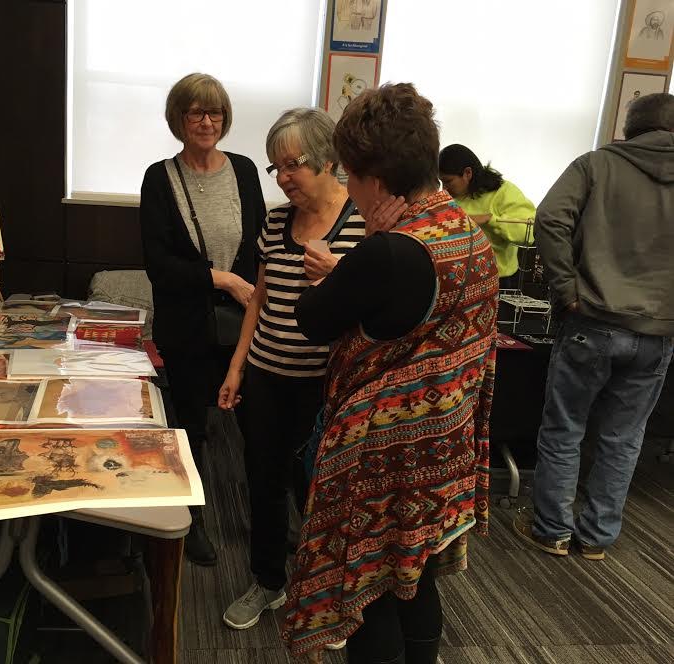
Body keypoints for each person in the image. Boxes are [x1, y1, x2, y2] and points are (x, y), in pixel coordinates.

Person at [283, 83, 499, 664]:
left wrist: (333, 275)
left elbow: (313, 320)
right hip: (444, 446)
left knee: (369, 590)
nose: (348, 189)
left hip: (380, 458)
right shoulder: (468, 236)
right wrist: (349, 270)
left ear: (375, 179)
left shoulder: (388, 253)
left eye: (351, 176)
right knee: (416, 574)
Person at [218, 107, 366, 631]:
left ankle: (327, 591)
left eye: (292, 166)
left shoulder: (364, 225)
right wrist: (237, 367)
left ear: (328, 160)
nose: (282, 178)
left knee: (323, 493)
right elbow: (258, 300)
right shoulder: (276, 220)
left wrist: (339, 277)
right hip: (265, 377)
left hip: (326, 388)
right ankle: (268, 582)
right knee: (263, 482)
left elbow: (372, 313)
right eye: (273, 168)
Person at [514, 92, 674, 561]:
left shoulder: (596, 164)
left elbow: (549, 218)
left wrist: (567, 289)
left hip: (592, 319)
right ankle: (597, 539)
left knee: (566, 428)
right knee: (624, 438)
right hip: (659, 331)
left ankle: (552, 531)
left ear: (629, 128)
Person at [140, 73, 266, 565]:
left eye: (214, 112)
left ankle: (268, 520)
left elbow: (259, 246)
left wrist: (249, 289)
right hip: (188, 326)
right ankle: (192, 520)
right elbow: (159, 265)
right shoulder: (159, 176)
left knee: (258, 427)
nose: (206, 121)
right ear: (179, 119)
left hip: (245, 327)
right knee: (190, 427)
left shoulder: (245, 170)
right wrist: (223, 280)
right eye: (196, 112)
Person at [439, 144, 535, 288]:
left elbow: (528, 234)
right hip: (459, 280)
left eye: (448, 181)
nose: (443, 189)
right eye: (441, 182)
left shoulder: (504, 191)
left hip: (500, 280)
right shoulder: (446, 198)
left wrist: (490, 220)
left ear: (467, 173)